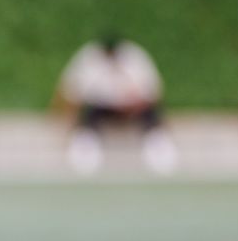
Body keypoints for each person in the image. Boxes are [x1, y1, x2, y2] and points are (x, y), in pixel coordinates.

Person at [55, 32, 177, 174]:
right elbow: (73, 93)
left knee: (151, 117)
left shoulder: (135, 57)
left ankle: (160, 152)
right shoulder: (89, 58)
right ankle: (84, 154)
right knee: (89, 117)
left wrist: (134, 105)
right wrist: (65, 123)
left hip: (135, 109)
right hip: (102, 109)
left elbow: (153, 94)